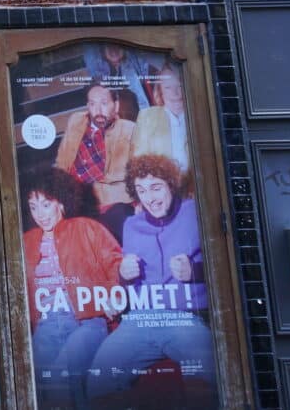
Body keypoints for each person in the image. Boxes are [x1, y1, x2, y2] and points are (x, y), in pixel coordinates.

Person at [87, 154, 216, 407]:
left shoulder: (196, 213)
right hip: (140, 320)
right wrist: (124, 276)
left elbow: (226, 267)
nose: (150, 198)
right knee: (98, 381)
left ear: (170, 185)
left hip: (185, 318)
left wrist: (195, 271)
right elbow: (128, 286)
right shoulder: (131, 226)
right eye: (142, 190)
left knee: (212, 377)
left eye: (156, 187)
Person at [22, 167, 122, 410]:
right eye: (33, 206)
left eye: (46, 204)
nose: (40, 214)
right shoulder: (27, 241)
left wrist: (114, 298)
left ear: (62, 202)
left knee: (63, 377)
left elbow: (116, 264)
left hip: (87, 322)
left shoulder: (87, 228)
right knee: (39, 384)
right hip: (45, 325)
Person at [55, 82, 137, 243]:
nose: (98, 111)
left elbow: (138, 171)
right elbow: (61, 163)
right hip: (74, 200)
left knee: (122, 224)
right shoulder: (76, 121)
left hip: (111, 202)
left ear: (116, 105)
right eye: (92, 104)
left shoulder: (129, 129)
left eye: (104, 103)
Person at [134, 64, 191, 172]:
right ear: (160, 91)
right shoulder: (147, 118)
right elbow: (138, 165)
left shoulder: (198, 114)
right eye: (168, 87)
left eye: (179, 86)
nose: (176, 94)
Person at [84, 44, 154, 111]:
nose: (114, 51)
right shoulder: (98, 68)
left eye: (117, 47)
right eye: (110, 47)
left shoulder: (130, 67)